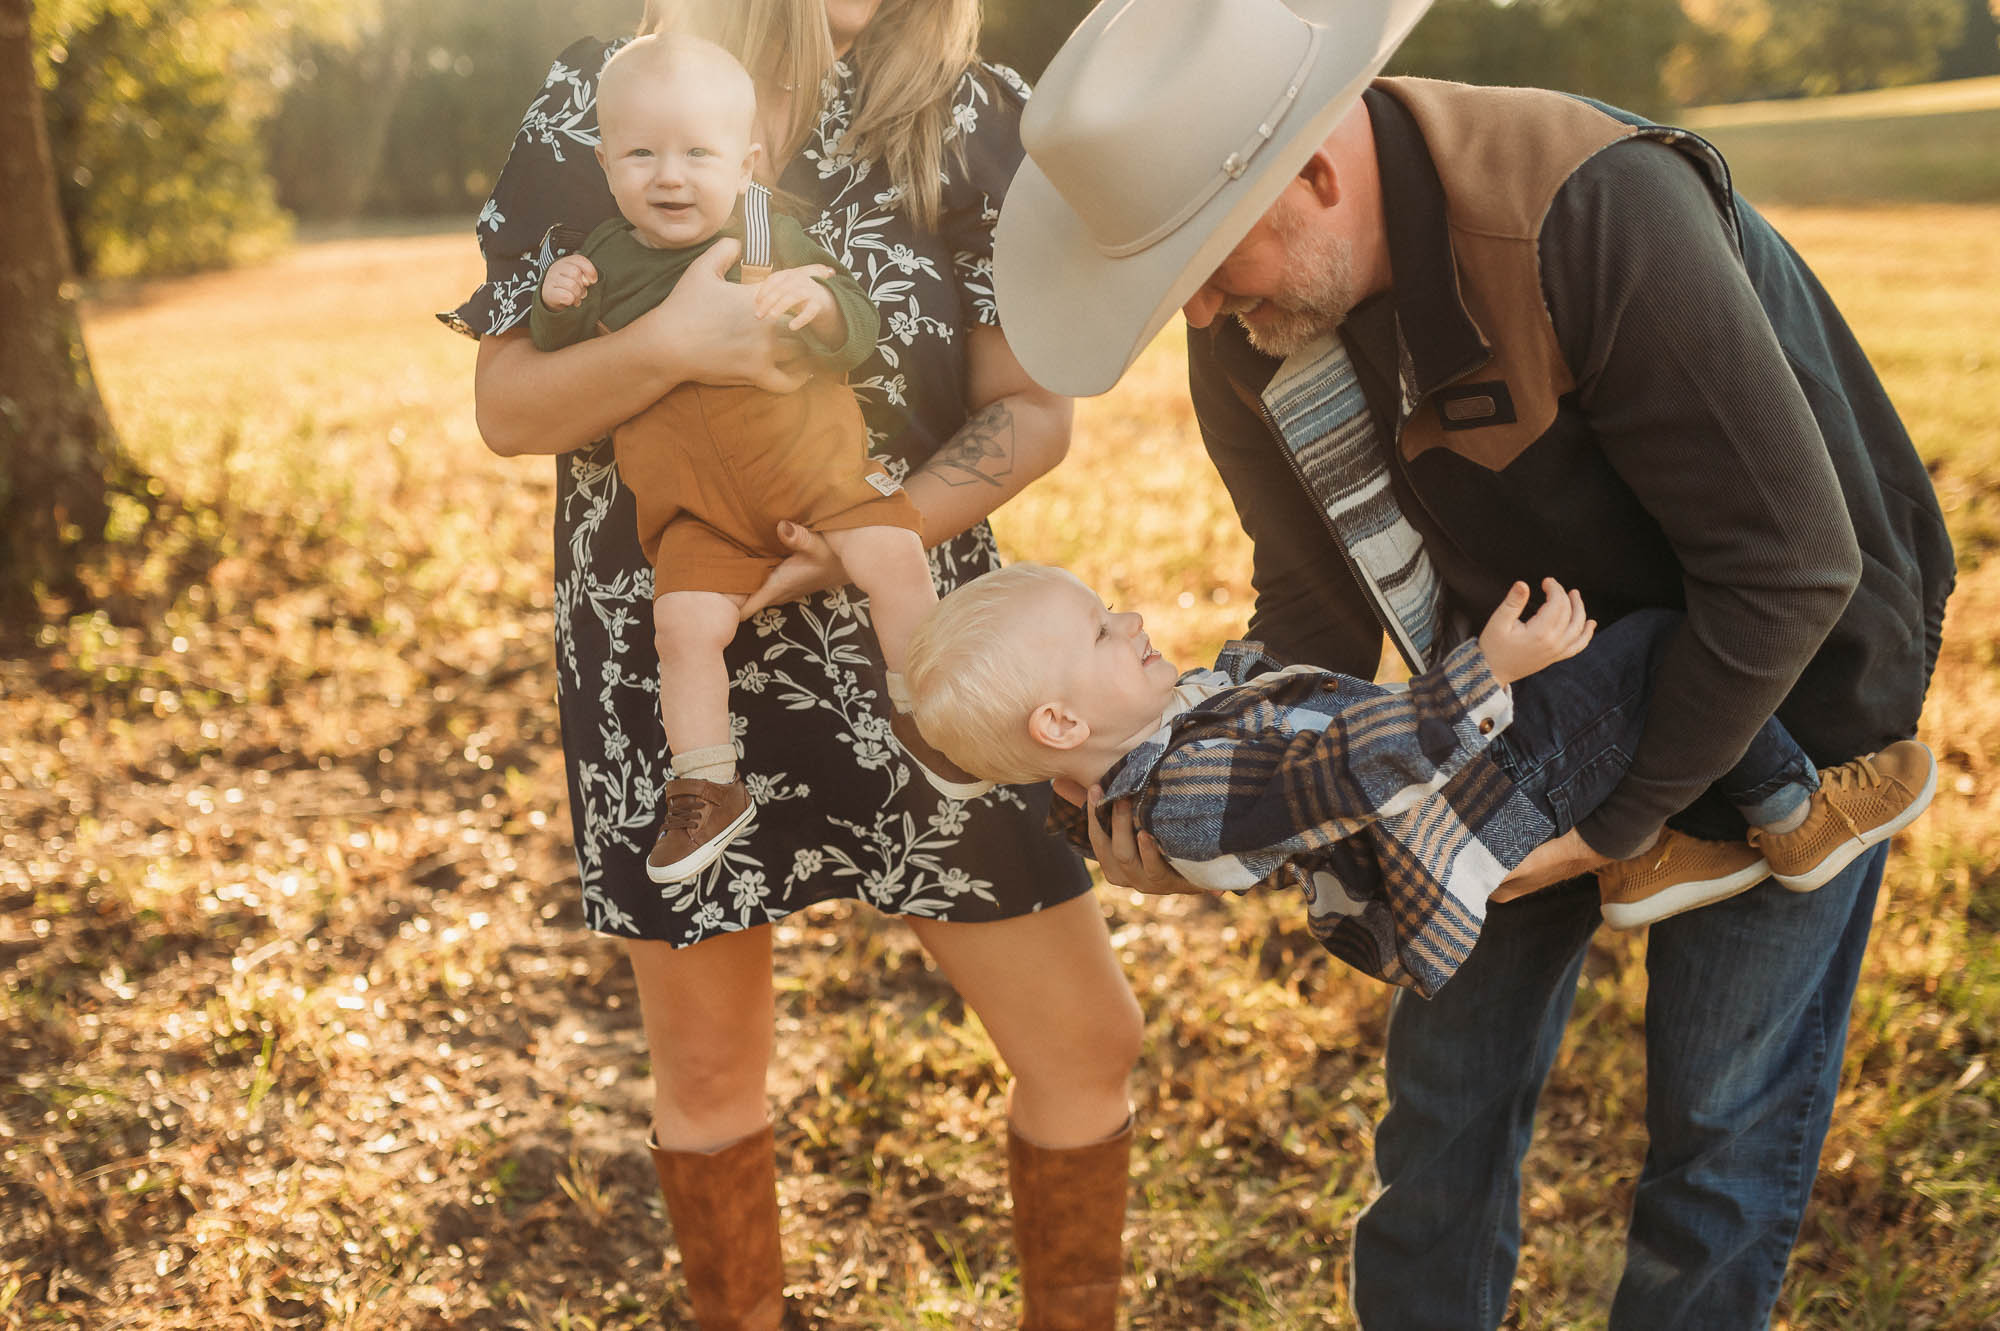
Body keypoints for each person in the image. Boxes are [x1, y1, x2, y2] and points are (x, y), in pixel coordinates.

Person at [989, 0, 1954, 1326]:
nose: (1199, 312)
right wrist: (1170, 778)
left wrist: (1615, 825)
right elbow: (1312, 611)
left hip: (1781, 675)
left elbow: (1790, 568)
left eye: (1203, 267)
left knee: (1718, 1136)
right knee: (1441, 1109)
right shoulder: (1250, 331)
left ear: (1317, 176)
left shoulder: (1592, 212)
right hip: (1502, 714)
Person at [443, 2, 1142, 1327]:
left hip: (923, 645)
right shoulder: (611, 91)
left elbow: (1031, 410)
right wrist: (666, 347)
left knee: (1085, 1039)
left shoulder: (972, 110)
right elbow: (507, 403)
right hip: (671, 640)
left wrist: (857, 546)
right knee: (709, 1079)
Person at [906, 563, 1936, 989]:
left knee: (1616, 678)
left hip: (1468, 775)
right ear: (1059, 720)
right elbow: (1341, 768)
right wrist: (1481, 673)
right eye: (1099, 629)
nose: (1128, 620)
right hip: (1484, 793)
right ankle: (1794, 811)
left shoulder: (1154, 747)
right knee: (1664, 643)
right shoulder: (1179, 797)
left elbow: (1269, 687)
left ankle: (1638, 860)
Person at [530, 33, 987, 883]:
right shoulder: (610, 258)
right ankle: (706, 783)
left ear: (744, 165)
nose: (670, 176)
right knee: (684, 626)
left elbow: (858, 328)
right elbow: (556, 354)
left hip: (820, 483)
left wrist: (815, 300)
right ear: (605, 164)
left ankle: (928, 706)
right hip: (697, 515)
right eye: (641, 154)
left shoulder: (773, 230)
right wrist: (558, 300)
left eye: (697, 154)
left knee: (892, 555)